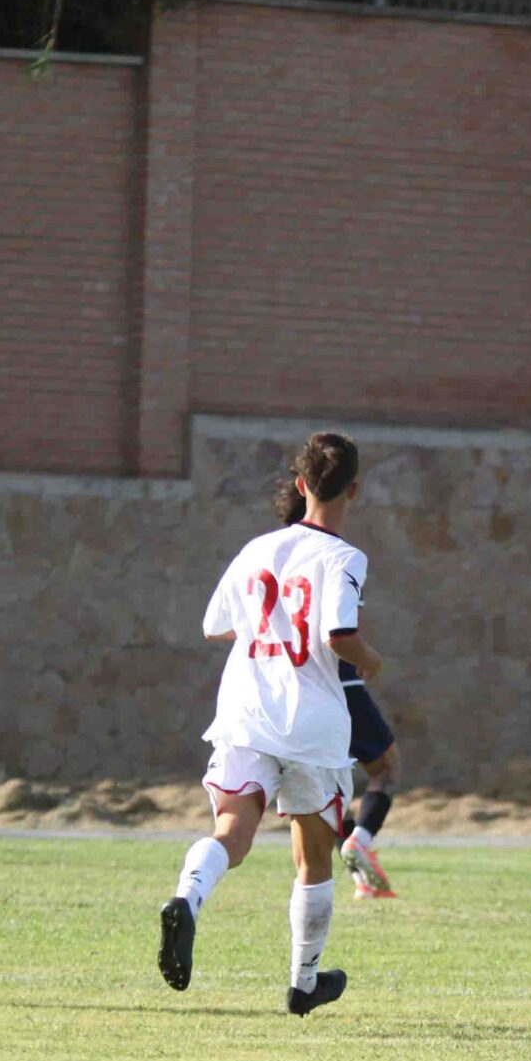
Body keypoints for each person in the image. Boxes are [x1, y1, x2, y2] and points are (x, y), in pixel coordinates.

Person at [160, 432, 383, 1015]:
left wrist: (270, 625)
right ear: (354, 490)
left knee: (232, 832)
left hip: (246, 709)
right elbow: (339, 634)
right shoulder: (345, 558)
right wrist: (373, 660)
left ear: (302, 485)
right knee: (314, 855)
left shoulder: (257, 548)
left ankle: (187, 898)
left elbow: (215, 625)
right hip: (311, 722)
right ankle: (303, 982)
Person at [272, 476, 400, 899]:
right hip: (338, 682)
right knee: (385, 769)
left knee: (321, 789)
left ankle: (355, 869)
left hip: (287, 691)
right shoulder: (334, 556)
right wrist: (371, 659)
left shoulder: (271, 558)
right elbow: (340, 633)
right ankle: (359, 840)